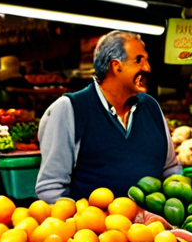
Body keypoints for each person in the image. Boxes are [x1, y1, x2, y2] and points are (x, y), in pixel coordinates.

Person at [36, 31, 181, 202]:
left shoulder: (151, 107)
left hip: (152, 227)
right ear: (116, 65)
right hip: (93, 228)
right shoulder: (69, 109)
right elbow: (50, 188)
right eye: (139, 60)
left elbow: (171, 169)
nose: (147, 68)